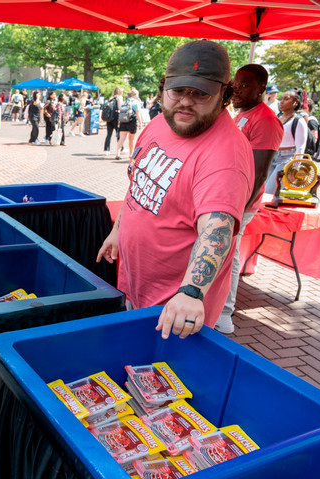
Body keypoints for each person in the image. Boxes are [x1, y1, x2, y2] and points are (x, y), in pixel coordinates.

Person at [97, 40, 254, 338]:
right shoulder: (159, 123)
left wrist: (191, 293)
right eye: (178, 91)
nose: (185, 101)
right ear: (163, 88)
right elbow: (137, 184)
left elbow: (217, 229)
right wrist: (119, 229)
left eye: (200, 94)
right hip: (136, 284)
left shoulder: (225, 155)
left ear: (224, 95)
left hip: (174, 312)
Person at [214, 64, 283, 334]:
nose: (238, 89)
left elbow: (260, 171)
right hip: (225, 195)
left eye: (245, 85)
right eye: (236, 83)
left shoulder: (265, 119)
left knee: (227, 256)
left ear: (262, 89)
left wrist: (237, 211)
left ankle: (224, 315)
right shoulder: (240, 114)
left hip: (240, 202)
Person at [264, 88, 308, 194]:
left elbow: (301, 146)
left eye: (286, 99)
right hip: (272, 156)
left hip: (286, 159)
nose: (282, 101)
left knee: (269, 191)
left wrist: (295, 168)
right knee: (263, 191)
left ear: (295, 102)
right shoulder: (279, 117)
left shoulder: (299, 121)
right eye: (282, 98)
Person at [113, 87, 142, 159]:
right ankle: (131, 154)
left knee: (121, 139)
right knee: (131, 139)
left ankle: (118, 153)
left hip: (123, 121)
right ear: (134, 95)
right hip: (132, 121)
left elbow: (121, 112)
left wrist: (119, 123)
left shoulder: (124, 102)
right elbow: (137, 113)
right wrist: (140, 123)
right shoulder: (135, 102)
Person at [103, 86, 123, 155]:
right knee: (118, 133)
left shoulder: (111, 98)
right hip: (116, 116)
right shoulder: (119, 98)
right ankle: (121, 148)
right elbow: (120, 108)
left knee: (109, 134)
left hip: (109, 117)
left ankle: (106, 149)